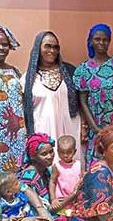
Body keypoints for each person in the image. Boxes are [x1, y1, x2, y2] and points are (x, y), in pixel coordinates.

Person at [73, 23, 113, 168]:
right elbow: (83, 102)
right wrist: (95, 128)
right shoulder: (83, 70)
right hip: (96, 127)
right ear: (91, 41)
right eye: (97, 39)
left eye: (105, 40)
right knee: (97, 165)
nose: (101, 43)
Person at [21, 31, 82, 161]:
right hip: (43, 131)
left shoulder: (70, 72)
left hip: (69, 129)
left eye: (55, 47)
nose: (52, 50)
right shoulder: (27, 79)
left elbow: (80, 102)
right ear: (38, 48)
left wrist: (84, 127)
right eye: (47, 46)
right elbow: (24, 111)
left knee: (71, 168)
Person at [18, 133, 64, 221]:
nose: (50, 156)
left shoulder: (46, 170)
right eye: (44, 154)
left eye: (51, 151)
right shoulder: (29, 176)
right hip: (32, 214)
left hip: (46, 209)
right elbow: (30, 206)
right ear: (33, 156)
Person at [0, 26, 26, 172]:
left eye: (5, 44)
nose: (1, 48)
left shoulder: (14, 71)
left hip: (16, 135)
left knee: (15, 175)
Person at [49, 135, 82, 219]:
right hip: (62, 201)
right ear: (57, 151)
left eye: (69, 152)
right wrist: (53, 199)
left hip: (76, 201)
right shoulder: (57, 166)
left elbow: (82, 180)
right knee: (65, 220)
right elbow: (52, 182)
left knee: (75, 219)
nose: (65, 155)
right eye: (62, 152)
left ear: (74, 152)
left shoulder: (79, 165)